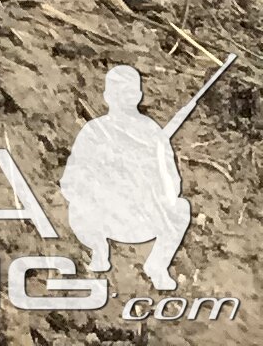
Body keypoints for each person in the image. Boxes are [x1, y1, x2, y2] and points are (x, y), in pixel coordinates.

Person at [60, 65, 194, 289]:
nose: (124, 98)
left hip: (141, 219)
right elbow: (70, 182)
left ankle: (158, 265)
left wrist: (146, 181)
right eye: (118, 92)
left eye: (129, 92)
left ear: (139, 96)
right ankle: (99, 250)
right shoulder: (94, 132)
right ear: (107, 96)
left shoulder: (153, 133)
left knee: (180, 208)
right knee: (77, 207)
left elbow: (172, 183)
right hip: (102, 218)